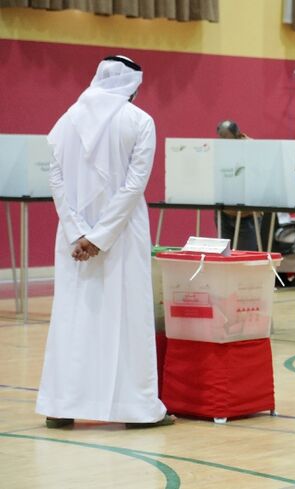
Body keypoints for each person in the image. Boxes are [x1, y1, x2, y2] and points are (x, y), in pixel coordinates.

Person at [36, 55, 172, 429]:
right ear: (132, 85)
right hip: (123, 235)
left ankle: (60, 407)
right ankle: (137, 411)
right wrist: (101, 237)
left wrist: (77, 232)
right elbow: (134, 186)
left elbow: (56, 179)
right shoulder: (140, 121)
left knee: (72, 315)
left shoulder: (66, 121)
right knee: (128, 317)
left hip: (73, 240)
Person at [215, 119, 261, 251]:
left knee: (246, 257)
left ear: (237, 134)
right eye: (220, 136)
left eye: (225, 136)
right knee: (224, 254)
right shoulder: (219, 149)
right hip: (224, 211)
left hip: (248, 214)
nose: (222, 140)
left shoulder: (253, 148)